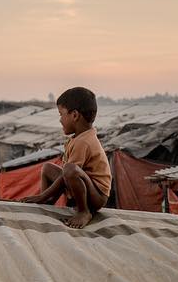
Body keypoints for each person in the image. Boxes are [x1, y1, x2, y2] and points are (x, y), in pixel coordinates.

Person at [21, 86, 111, 228]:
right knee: (47, 168)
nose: (60, 120)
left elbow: (68, 174)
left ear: (74, 115)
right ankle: (48, 202)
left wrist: (41, 196)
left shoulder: (83, 141)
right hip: (83, 187)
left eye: (61, 114)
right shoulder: (77, 138)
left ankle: (84, 211)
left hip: (96, 197)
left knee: (70, 169)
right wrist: (44, 196)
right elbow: (64, 176)